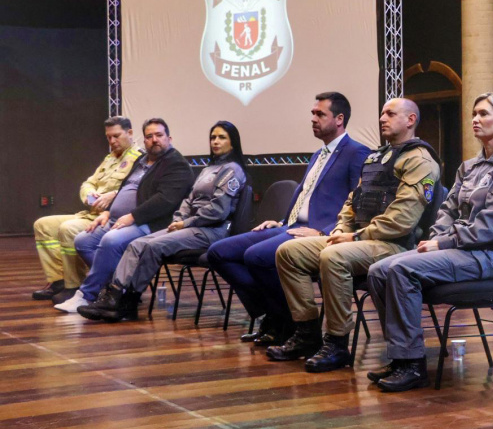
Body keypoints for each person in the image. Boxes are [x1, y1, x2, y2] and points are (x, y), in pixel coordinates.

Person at [365, 93, 493, 392]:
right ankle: (401, 356)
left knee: (402, 269)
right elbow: (446, 210)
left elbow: (492, 226)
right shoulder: (468, 167)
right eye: (474, 114)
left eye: (483, 114)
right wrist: (437, 238)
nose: (475, 120)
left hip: (488, 256)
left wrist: (444, 244)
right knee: (378, 271)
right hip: (459, 250)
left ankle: (413, 365)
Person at [270, 98, 441, 373]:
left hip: (394, 246)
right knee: (290, 252)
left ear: (410, 120)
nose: (382, 118)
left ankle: (337, 343)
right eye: (382, 113)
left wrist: (355, 237)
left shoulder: (420, 161)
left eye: (391, 114)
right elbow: (352, 203)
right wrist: (341, 230)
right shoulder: (376, 157)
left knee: (333, 256)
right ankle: (307, 334)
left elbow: (402, 220)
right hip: (360, 240)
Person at [206, 92, 370, 346]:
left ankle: (290, 324)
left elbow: (357, 202)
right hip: (291, 226)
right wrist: (281, 222)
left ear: (339, 119)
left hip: (319, 233)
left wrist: (325, 232)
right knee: (218, 252)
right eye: (312, 113)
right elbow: (306, 195)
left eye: (320, 114)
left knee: (255, 256)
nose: (313, 118)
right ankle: (278, 316)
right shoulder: (318, 154)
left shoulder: (357, 152)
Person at [77, 121, 247, 322]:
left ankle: (128, 301)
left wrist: (186, 223)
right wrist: (178, 219)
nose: (216, 142)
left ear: (233, 142)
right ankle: (114, 297)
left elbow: (218, 210)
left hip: (211, 230)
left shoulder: (232, 170)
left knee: (153, 246)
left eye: (222, 137)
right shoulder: (209, 168)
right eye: (213, 137)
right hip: (189, 226)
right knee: (137, 244)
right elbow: (188, 200)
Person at [55, 118, 194, 312]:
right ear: (143, 140)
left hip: (151, 223)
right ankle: (117, 289)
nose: (154, 140)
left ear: (169, 138)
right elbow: (124, 188)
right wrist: (107, 212)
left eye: (159, 135)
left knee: (111, 240)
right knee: (83, 241)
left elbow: (165, 201)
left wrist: (133, 217)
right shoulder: (142, 160)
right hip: (120, 219)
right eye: (149, 136)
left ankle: (86, 295)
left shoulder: (176, 164)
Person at [32, 116, 142, 303]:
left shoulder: (140, 159)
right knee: (42, 225)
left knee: (68, 229)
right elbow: (88, 182)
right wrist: (89, 195)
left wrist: (113, 195)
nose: (112, 141)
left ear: (130, 133)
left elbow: (138, 189)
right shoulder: (110, 158)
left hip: (111, 219)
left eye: (116, 136)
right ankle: (58, 281)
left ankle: (73, 286)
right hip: (90, 213)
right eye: (108, 137)